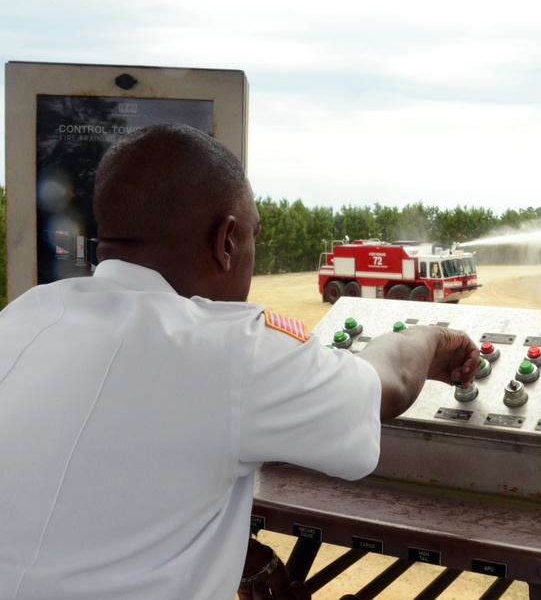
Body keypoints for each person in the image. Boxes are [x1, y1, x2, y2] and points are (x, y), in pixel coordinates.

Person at [0, 124, 480, 600]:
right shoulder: (229, 347)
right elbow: (388, 383)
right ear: (226, 241)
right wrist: (430, 336)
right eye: (254, 235)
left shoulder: (24, 316)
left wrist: (234, 548)